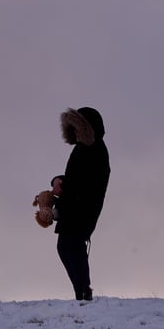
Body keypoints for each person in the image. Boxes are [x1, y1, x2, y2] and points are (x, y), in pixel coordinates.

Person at [51, 106, 110, 302]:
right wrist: (57, 181)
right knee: (65, 247)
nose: (74, 132)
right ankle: (81, 291)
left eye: (77, 128)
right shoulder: (81, 149)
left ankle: (83, 291)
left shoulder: (97, 151)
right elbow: (73, 178)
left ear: (87, 128)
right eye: (72, 128)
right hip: (72, 206)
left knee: (73, 246)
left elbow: (86, 182)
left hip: (83, 208)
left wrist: (63, 184)